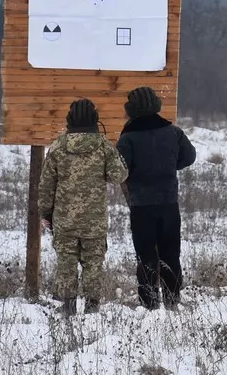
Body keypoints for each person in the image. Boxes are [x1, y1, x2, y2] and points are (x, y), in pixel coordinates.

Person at [39, 98, 127, 316]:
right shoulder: (104, 146)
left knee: (66, 263)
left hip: (64, 220)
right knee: (93, 265)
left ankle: (68, 307)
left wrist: (45, 212)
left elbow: (46, 184)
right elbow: (119, 175)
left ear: (69, 120)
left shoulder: (58, 146)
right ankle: (92, 308)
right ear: (95, 119)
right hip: (94, 222)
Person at [116, 86, 196, 310]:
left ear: (131, 109)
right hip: (169, 203)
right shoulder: (173, 132)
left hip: (141, 205)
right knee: (171, 252)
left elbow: (119, 170)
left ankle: (149, 302)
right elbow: (189, 157)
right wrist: (170, 166)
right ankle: (172, 299)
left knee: (145, 253)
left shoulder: (128, 137)